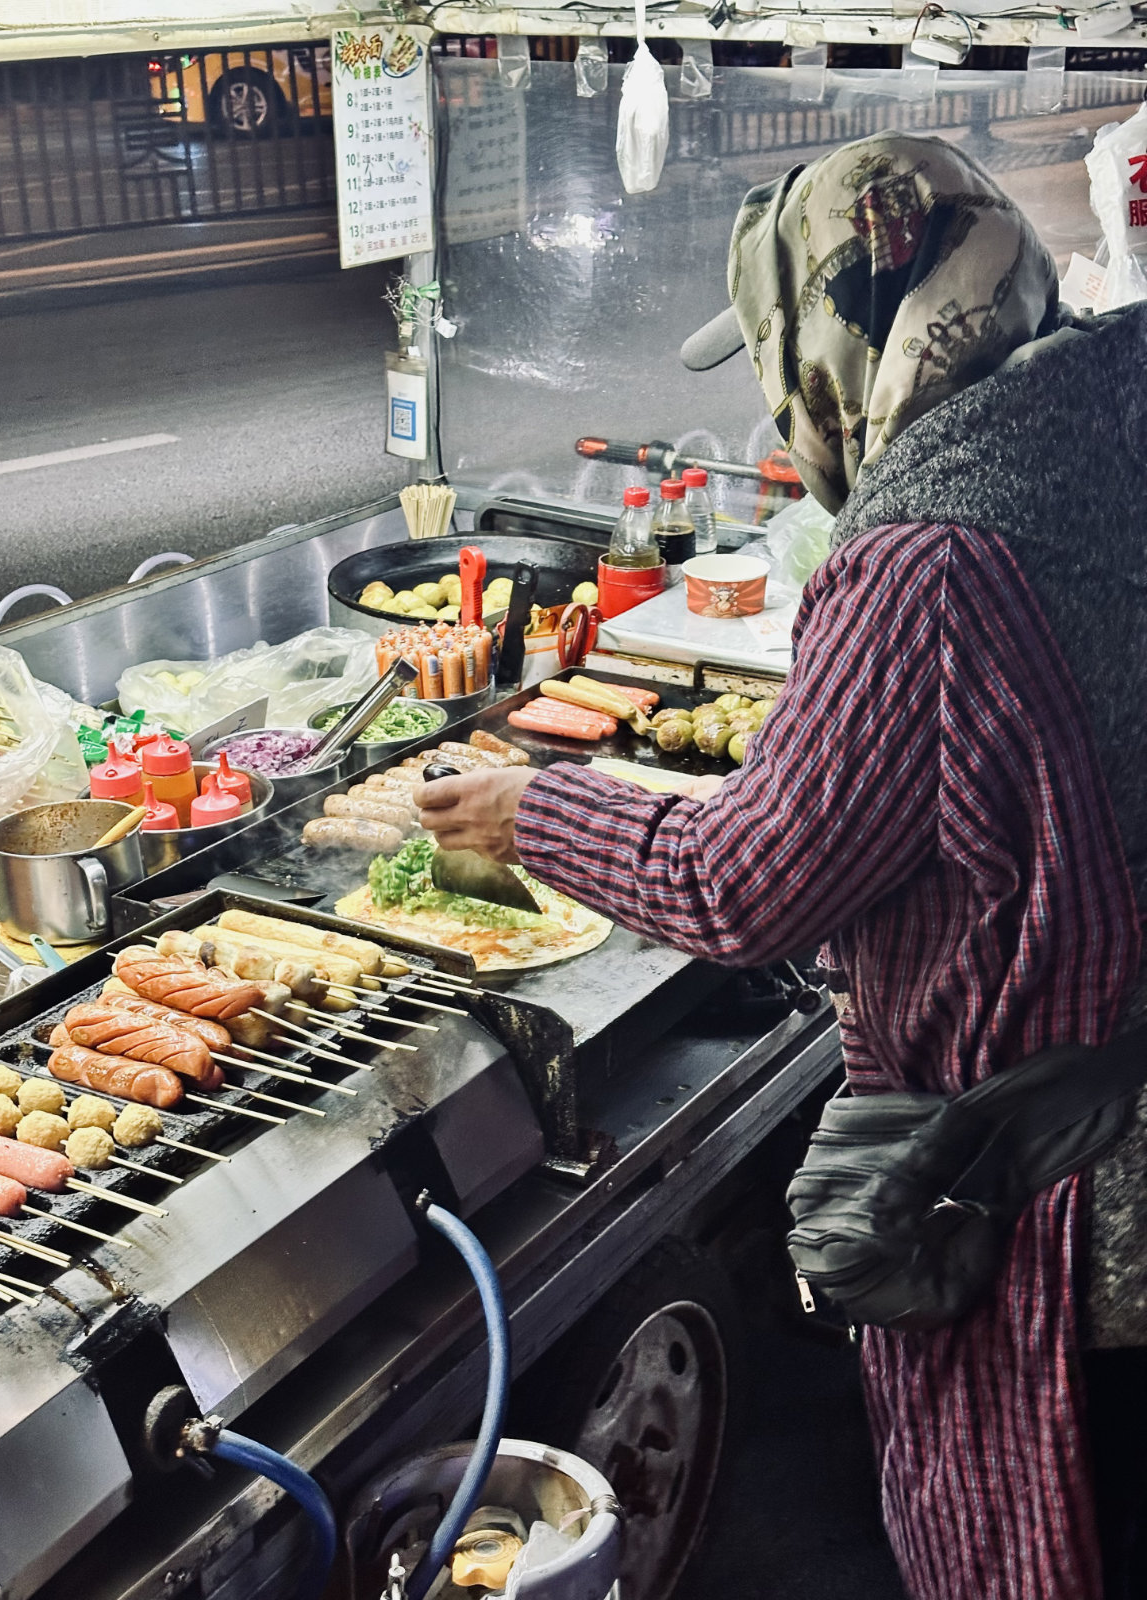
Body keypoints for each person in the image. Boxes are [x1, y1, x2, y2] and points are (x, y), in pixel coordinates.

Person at [414, 132, 1147, 1600]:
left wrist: (530, 807)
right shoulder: (1104, 410)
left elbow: (745, 886)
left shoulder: (932, 547)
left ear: (843, 333)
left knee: (1044, 1538)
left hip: (1047, 1203)